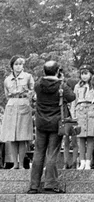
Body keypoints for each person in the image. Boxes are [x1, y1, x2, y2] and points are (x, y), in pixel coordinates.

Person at [28, 61, 76, 194]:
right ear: (57, 71)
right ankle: (50, 183)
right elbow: (72, 97)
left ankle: (33, 186)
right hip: (56, 123)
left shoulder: (38, 85)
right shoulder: (61, 85)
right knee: (52, 153)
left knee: (38, 153)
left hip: (41, 123)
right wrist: (62, 79)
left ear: (44, 71)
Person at [1, 56, 34, 169]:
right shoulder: (7, 80)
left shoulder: (28, 77)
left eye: (20, 64)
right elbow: (6, 95)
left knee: (22, 136)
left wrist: (26, 99)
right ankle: (14, 163)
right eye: (16, 64)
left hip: (23, 104)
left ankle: (21, 163)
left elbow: (32, 91)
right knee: (12, 137)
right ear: (12, 66)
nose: (18, 66)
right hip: (11, 106)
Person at [74, 67, 94, 170]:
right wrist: (73, 115)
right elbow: (73, 102)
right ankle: (82, 161)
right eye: (82, 73)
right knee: (81, 138)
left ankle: (88, 161)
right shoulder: (77, 86)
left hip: (91, 111)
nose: (84, 76)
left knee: (90, 137)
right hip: (80, 111)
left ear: (91, 74)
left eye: (86, 73)